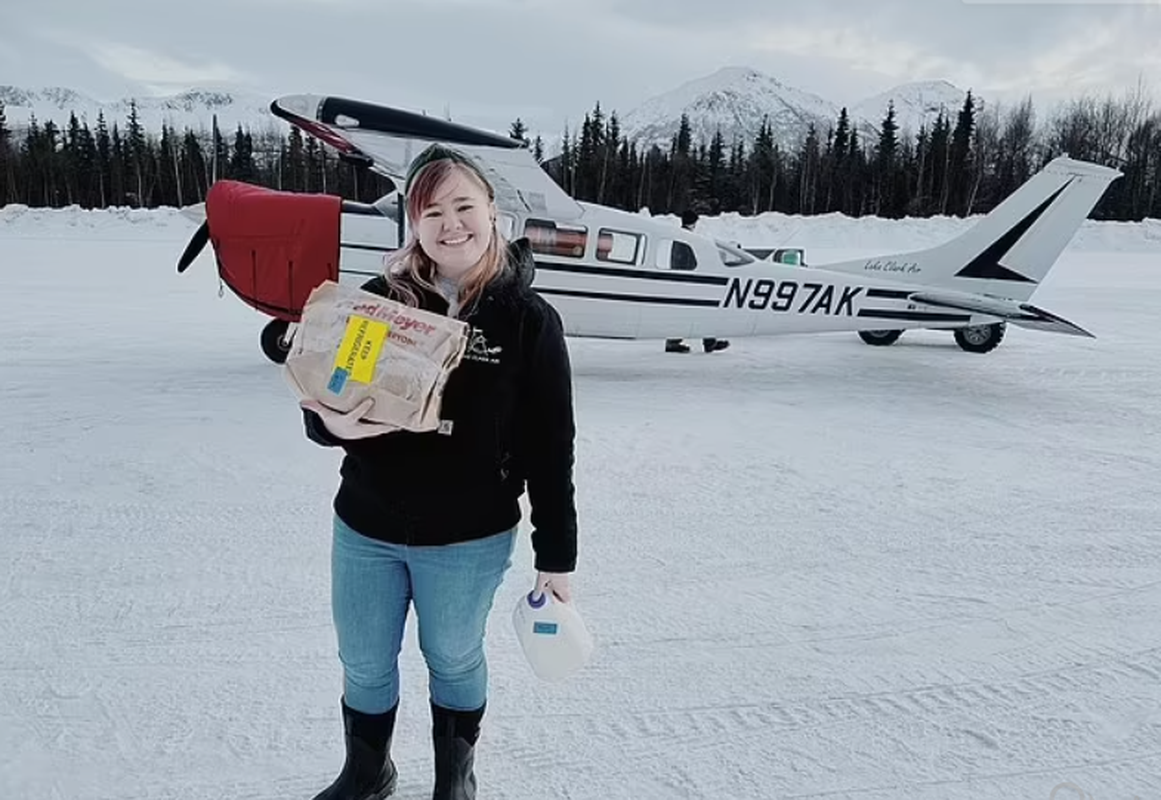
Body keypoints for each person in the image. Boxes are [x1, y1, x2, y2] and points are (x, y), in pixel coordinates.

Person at [299, 143, 579, 800]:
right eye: (432, 212)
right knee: (363, 661)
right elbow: (331, 392)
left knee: (451, 656)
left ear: (491, 211)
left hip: (468, 537)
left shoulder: (528, 321)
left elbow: (551, 446)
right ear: (412, 224)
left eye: (463, 206)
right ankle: (368, 770)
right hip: (366, 523)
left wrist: (557, 555)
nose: (451, 225)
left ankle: (455, 775)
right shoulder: (379, 304)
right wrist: (333, 424)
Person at [665, 209, 730, 354]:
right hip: (688, 281)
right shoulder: (686, 237)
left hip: (684, 280)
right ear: (693, 222)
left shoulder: (681, 236)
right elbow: (687, 260)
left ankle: (706, 341)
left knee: (692, 312)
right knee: (702, 310)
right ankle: (704, 342)